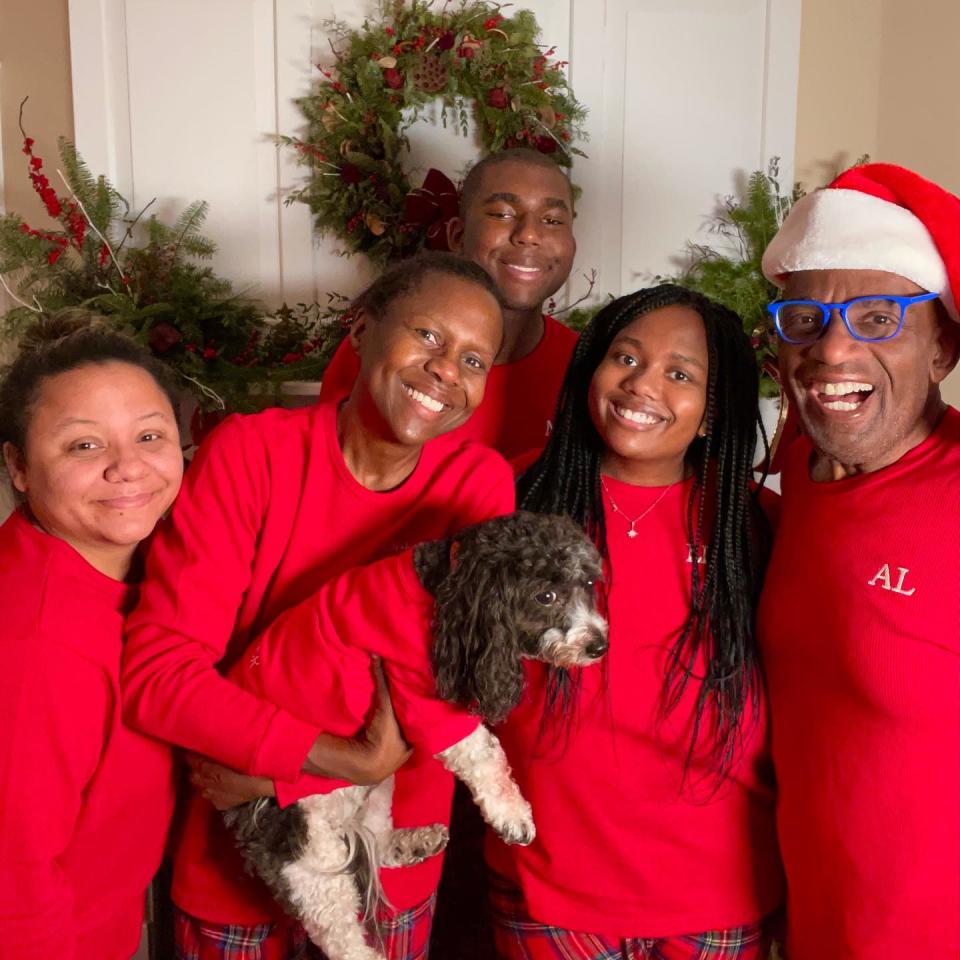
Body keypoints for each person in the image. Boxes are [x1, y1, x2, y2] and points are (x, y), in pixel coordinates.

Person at [120, 252, 516, 960]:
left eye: (475, 359)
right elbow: (160, 679)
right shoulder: (249, 454)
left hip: (387, 862)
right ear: (361, 328)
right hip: (234, 852)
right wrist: (354, 759)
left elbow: (459, 675)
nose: (447, 371)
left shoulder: (476, 487)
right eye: (427, 336)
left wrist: (291, 771)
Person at [487, 284, 782, 958]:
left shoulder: (756, 523)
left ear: (711, 413)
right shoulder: (514, 495)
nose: (643, 384)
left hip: (717, 890)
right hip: (550, 883)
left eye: (680, 374)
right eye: (625, 357)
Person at [758, 163, 960, 958]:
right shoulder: (801, 473)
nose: (832, 349)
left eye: (879, 318)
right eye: (804, 319)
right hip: (810, 921)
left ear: (942, 345)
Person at [0, 321, 184, 959]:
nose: (129, 467)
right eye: (83, 445)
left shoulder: (142, 565)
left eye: (151, 436)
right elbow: (13, 883)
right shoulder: (35, 642)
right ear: (18, 466)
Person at [320, 148, 579, 461]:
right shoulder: (383, 347)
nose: (528, 235)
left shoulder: (586, 368)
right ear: (457, 235)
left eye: (552, 220)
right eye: (502, 214)